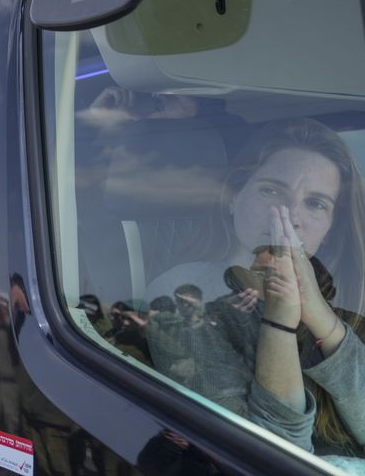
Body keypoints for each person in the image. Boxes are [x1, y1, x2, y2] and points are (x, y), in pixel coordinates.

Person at [146, 118, 365, 457]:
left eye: (316, 203)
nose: (291, 216)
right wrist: (280, 320)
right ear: (234, 196)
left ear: (330, 229)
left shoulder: (345, 295)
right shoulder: (183, 294)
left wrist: (320, 316)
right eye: (272, 190)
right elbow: (270, 456)